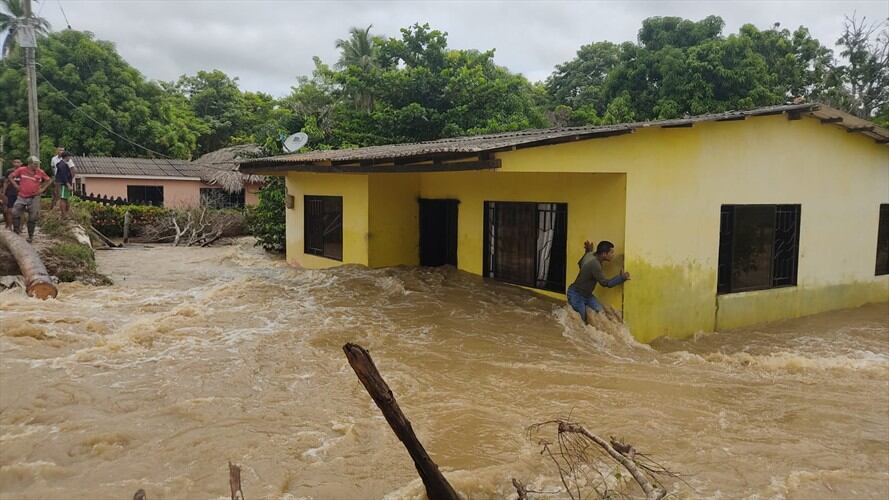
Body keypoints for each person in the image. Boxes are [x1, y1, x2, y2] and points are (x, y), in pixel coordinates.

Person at [567, 240, 631, 323]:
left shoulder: (590, 254)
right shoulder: (595, 264)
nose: (613, 255)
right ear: (604, 254)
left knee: (601, 313)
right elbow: (605, 283)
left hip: (587, 295)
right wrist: (621, 278)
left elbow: (580, 264)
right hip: (576, 295)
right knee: (581, 322)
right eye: (611, 253)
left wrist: (587, 251)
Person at [9, 156, 52, 243]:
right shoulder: (21, 170)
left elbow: (49, 180)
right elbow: (10, 177)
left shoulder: (40, 172)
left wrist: (42, 189)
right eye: (35, 164)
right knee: (15, 213)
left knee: (32, 217)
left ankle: (30, 236)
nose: (36, 166)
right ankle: (16, 232)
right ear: (30, 164)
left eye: (37, 164)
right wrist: (16, 185)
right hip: (21, 196)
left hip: (33, 198)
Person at [2, 159, 22, 230]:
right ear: (12, 163)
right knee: (9, 210)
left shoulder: (24, 171)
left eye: (18, 162)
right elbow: (5, 182)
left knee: (20, 211)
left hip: (21, 194)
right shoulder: (9, 171)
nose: (16, 163)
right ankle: (10, 226)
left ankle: (19, 227)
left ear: (21, 163)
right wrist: (3, 193)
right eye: (15, 162)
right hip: (10, 193)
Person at [54, 151, 75, 218]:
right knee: (63, 199)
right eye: (69, 156)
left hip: (64, 184)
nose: (70, 158)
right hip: (63, 184)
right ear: (67, 157)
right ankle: (64, 215)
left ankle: (65, 214)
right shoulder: (62, 165)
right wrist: (68, 184)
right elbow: (63, 176)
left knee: (65, 198)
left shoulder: (63, 164)